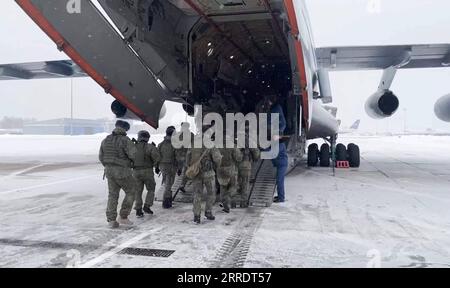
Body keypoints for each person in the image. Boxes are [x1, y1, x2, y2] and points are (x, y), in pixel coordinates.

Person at [99, 120, 136, 228]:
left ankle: (111, 220)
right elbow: (133, 155)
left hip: (109, 172)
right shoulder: (125, 140)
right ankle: (123, 217)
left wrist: (109, 167)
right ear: (125, 129)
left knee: (113, 195)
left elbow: (101, 157)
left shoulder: (106, 140)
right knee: (131, 191)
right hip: (122, 172)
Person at [187, 125, 222, 224]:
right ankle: (208, 212)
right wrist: (216, 166)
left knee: (197, 194)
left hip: (196, 173)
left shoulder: (193, 143)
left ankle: (196, 216)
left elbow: (188, 158)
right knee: (211, 193)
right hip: (208, 174)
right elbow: (217, 158)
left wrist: (193, 167)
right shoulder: (210, 144)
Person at [133, 130, 161, 218]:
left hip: (135, 171)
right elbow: (157, 158)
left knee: (137, 191)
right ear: (147, 138)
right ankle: (147, 206)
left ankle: (138, 209)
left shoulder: (132, 147)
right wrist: (156, 166)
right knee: (151, 189)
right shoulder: (150, 147)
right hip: (147, 171)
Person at [268, 94, 288, 203]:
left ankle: (281, 198)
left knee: (279, 180)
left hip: (281, 164)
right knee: (279, 180)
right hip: (279, 163)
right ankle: (280, 196)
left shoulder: (279, 145)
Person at [235, 125, 260, 208]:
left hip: (235, 165)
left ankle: (233, 202)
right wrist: (255, 159)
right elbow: (256, 153)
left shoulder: (233, 140)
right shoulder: (250, 141)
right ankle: (243, 202)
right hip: (246, 165)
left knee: (235, 183)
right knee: (245, 183)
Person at [217, 133, 242, 213]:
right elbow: (238, 158)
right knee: (233, 186)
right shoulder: (233, 146)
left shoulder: (217, 146)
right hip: (230, 169)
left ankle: (224, 204)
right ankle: (227, 199)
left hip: (220, 169)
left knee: (223, 186)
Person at [157, 126, 179, 209]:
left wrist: (156, 166)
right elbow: (177, 157)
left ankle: (168, 200)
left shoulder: (160, 144)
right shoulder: (174, 144)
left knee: (166, 183)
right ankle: (166, 202)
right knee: (169, 184)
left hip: (162, 166)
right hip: (171, 166)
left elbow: (157, 156)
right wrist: (179, 167)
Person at [174, 122, 195, 193]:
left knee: (182, 169)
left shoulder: (178, 135)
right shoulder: (191, 135)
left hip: (180, 155)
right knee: (186, 171)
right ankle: (182, 184)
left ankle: (179, 172)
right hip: (187, 155)